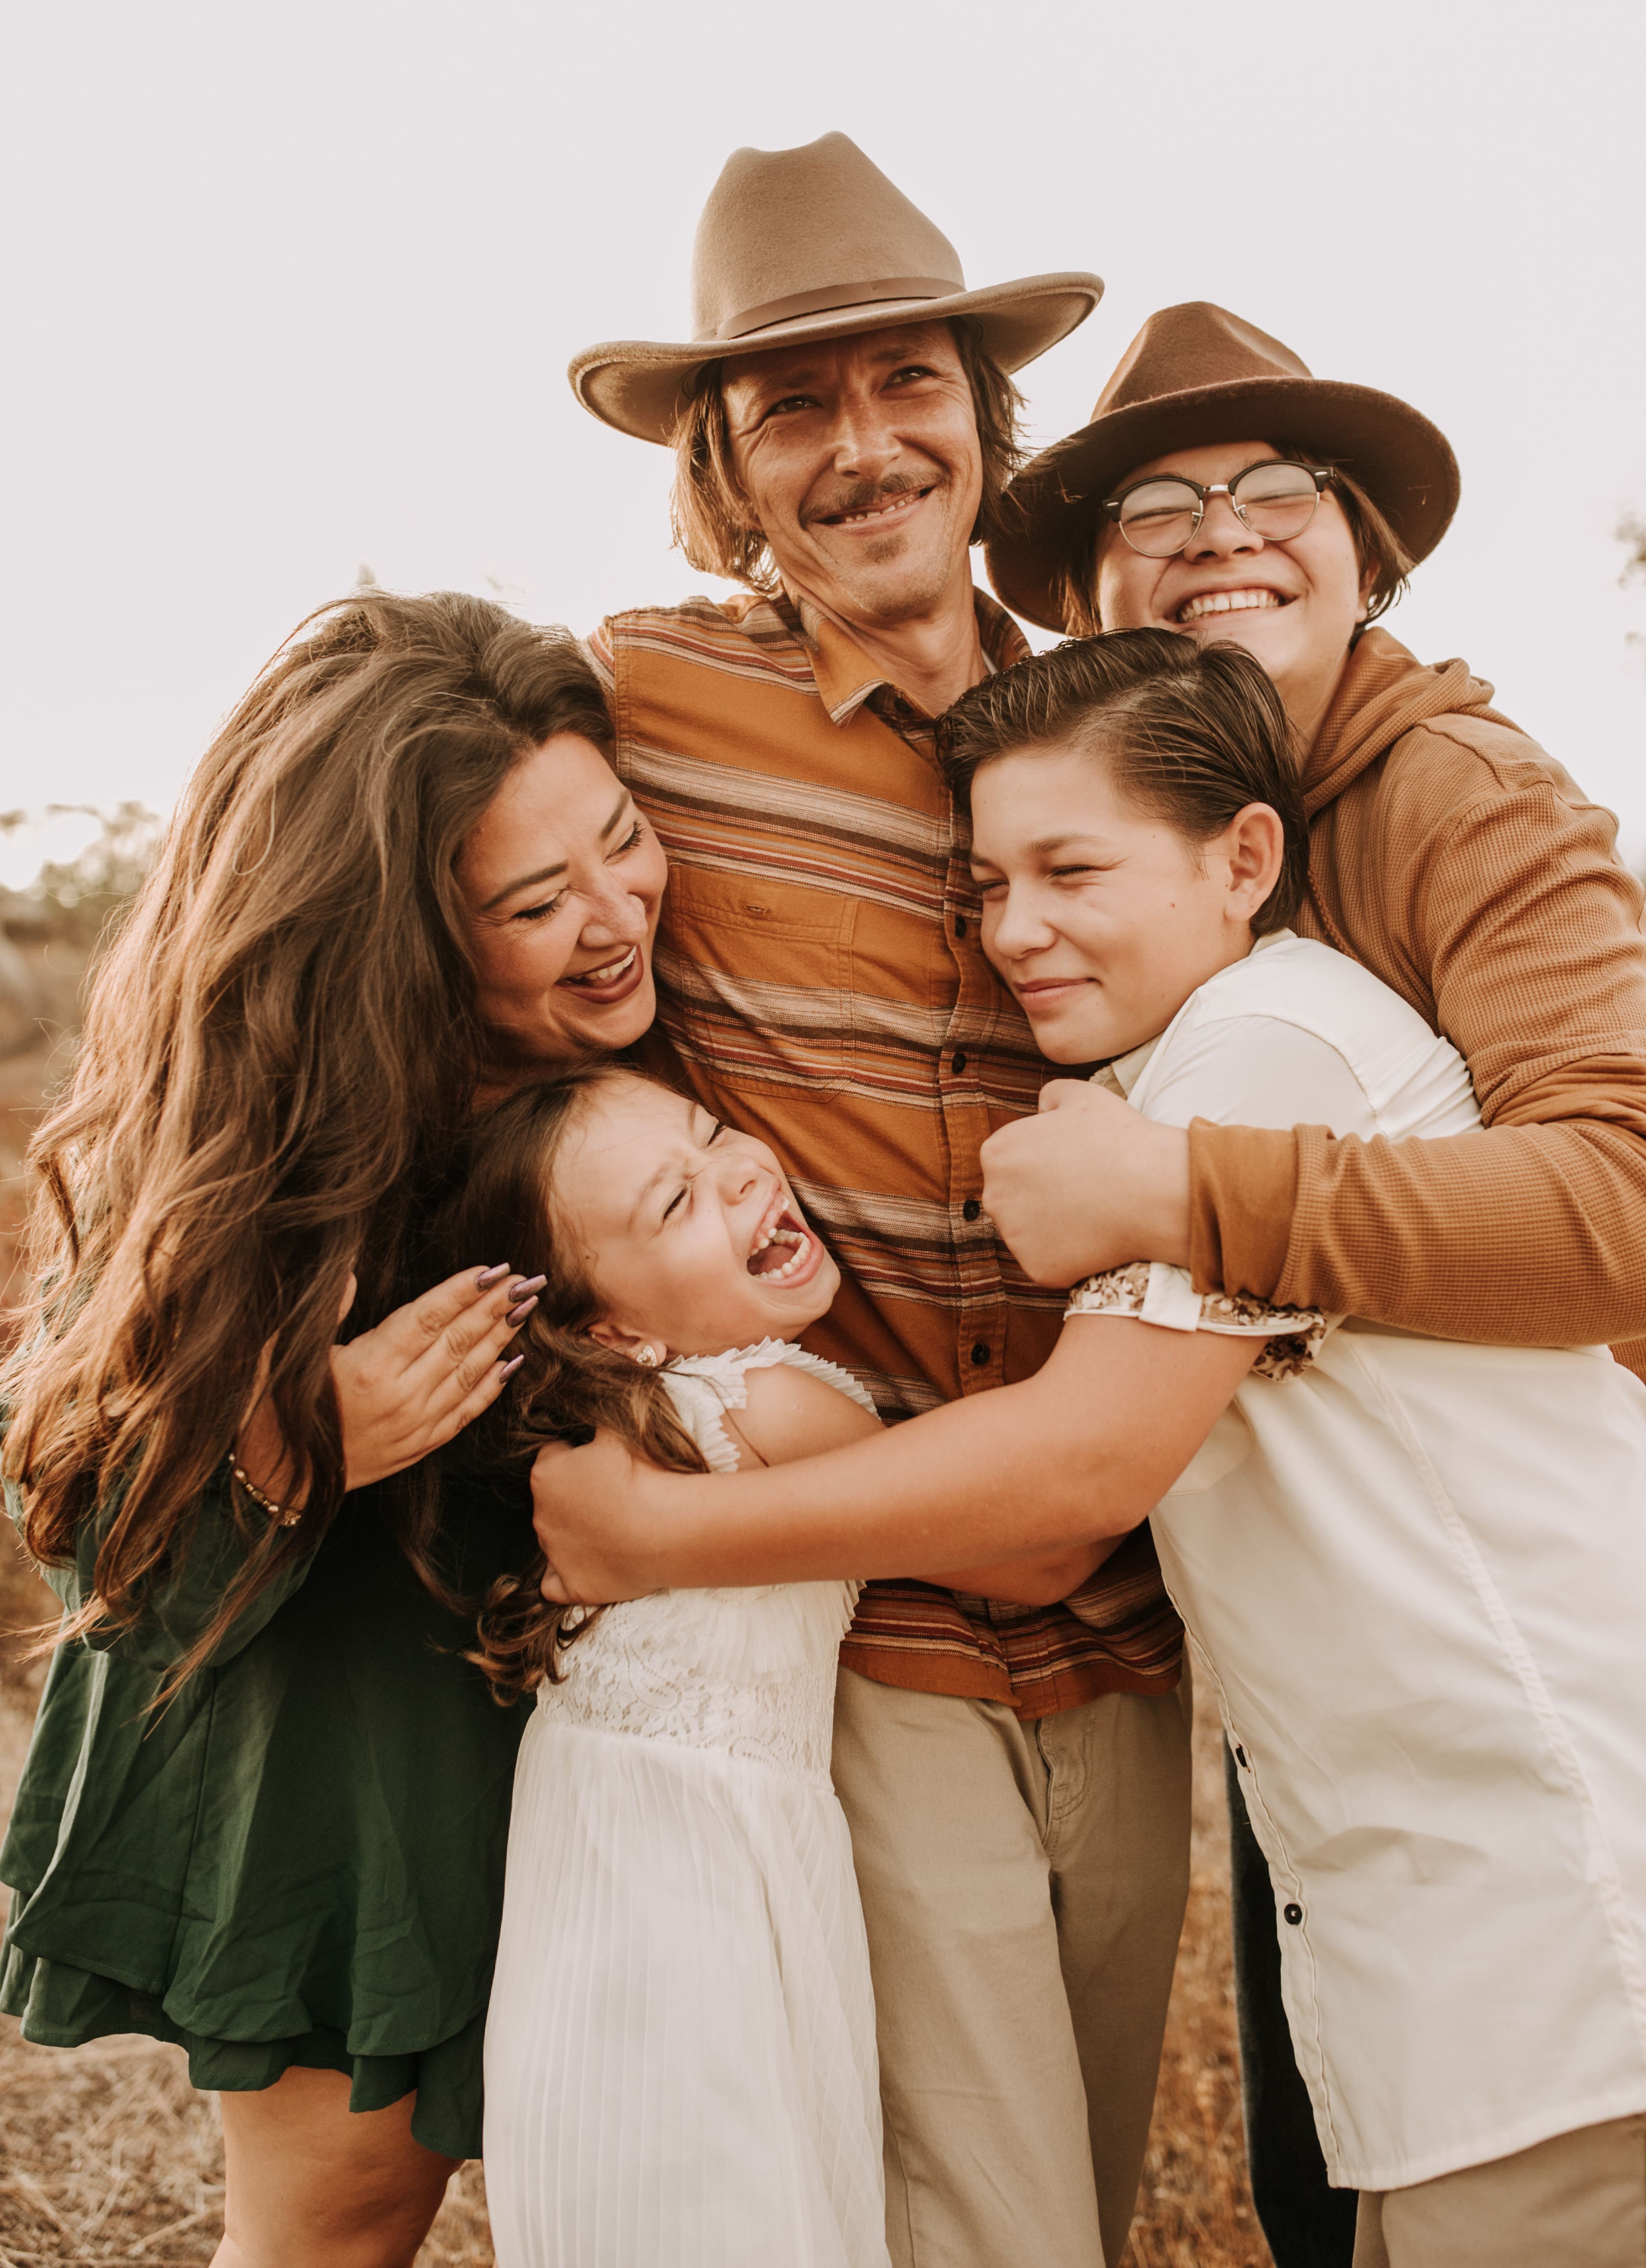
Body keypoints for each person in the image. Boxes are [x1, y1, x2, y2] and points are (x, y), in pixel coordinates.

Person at [529, 627, 1646, 2268]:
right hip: (1478, 1923)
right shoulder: (1166, 1077)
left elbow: (1076, 1481)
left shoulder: (1265, 1053)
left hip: (1553, 1900)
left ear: (1242, 856)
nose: (1018, 931)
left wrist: (650, 1538)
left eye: (1072, 869)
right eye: (989, 885)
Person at [968, 300, 1646, 2264]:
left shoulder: (1455, 794)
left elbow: (1621, 1204)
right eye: (1155, 512)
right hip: (1362, 1673)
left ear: (1373, 557)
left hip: (1528, 1692)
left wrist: (1185, 1189)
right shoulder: (1162, 850)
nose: (1221, 530)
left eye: (1279, 491)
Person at [568, 129, 1182, 2267]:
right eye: (791, 410)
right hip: (874, 1613)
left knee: (1081, 2196)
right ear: (725, 478)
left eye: (907, 383)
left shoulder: (1125, 726)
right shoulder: (645, 706)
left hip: (1142, 1625)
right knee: (989, 2230)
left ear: (983, 416)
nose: (864, 447)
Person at [0, 590, 668, 2268]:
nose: (616, 915)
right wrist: (297, 1447)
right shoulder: (263, 1129)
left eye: (624, 840)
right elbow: (83, 1509)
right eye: (535, 901)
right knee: (339, 2230)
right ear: (403, 937)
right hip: (340, 1752)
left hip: (610, 1737)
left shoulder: (629, 1067)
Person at [429, 1068, 1111, 2268]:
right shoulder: (771, 1406)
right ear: (614, 1331)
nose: (738, 1171)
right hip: (706, 1872)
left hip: (594, 1864)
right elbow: (1020, 1540)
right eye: (676, 1203)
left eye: (710, 1134)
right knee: (745, 2169)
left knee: (641, 2184)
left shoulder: (630, 1425)